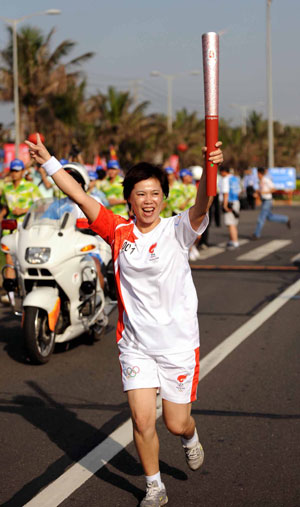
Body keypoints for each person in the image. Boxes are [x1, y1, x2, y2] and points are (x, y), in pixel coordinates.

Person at [25, 134, 223, 507]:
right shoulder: (118, 230)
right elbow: (80, 196)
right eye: (140, 194)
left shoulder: (178, 230)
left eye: (154, 194)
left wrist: (209, 166)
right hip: (135, 346)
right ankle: (154, 486)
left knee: (175, 423)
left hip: (178, 345)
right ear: (129, 199)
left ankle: (190, 436)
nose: (148, 201)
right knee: (142, 420)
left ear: (163, 198)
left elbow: (203, 202)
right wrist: (49, 160)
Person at [0, 158, 42, 304]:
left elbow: (40, 206)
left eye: (17, 170)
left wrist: (23, 210)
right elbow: (5, 207)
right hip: (10, 229)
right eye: (13, 170)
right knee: (10, 260)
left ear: (23, 172)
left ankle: (30, 291)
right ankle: (11, 297)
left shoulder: (31, 187)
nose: (15, 173)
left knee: (27, 260)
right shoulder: (6, 188)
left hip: (27, 228)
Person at [252, 167, 291, 239]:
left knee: (261, 217)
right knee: (270, 217)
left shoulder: (266, 180)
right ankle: (285, 219)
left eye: (257, 173)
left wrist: (265, 192)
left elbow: (274, 188)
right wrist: (257, 194)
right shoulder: (260, 181)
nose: (257, 175)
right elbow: (260, 190)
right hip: (264, 200)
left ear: (260, 173)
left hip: (268, 200)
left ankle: (256, 234)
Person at [220, 166, 241, 249]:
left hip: (229, 203)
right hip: (236, 201)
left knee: (230, 223)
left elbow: (226, 192)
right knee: (234, 223)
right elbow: (239, 191)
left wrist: (225, 205)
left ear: (223, 172)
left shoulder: (225, 180)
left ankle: (235, 242)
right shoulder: (235, 179)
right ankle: (232, 240)